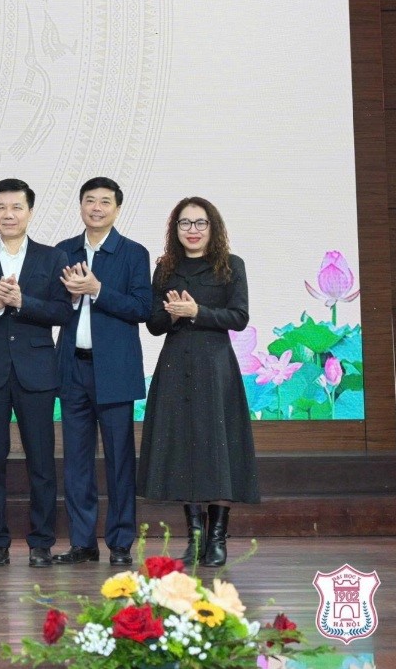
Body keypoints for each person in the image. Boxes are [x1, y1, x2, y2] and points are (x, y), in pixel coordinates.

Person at [139, 197, 258, 568]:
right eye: (185, 223)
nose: (192, 230)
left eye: (200, 223)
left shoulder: (231, 265)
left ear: (212, 227)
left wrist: (197, 311)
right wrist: (173, 316)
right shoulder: (165, 269)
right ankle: (195, 538)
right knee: (184, 449)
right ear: (175, 229)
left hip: (215, 367)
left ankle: (218, 537)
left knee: (218, 449)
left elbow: (239, 317)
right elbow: (153, 324)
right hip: (176, 366)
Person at [0, 178, 73, 569]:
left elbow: (62, 312)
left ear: (30, 211)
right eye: (1, 208)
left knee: (41, 461)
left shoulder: (52, 257)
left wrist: (23, 301)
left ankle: (41, 543)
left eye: (16, 207)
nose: (8, 215)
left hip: (37, 371)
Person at [51, 178, 152, 568]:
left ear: (117, 209)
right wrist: (70, 296)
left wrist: (97, 289)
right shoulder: (64, 251)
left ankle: (121, 543)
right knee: (76, 462)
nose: (96, 207)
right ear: (80, 206)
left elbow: (142, 308)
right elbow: (52, 307)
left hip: (115, 370)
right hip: (72, 367)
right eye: (89, 200)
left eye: (105, 202)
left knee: (119, 460)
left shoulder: (133, 253)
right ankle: (82, 543)